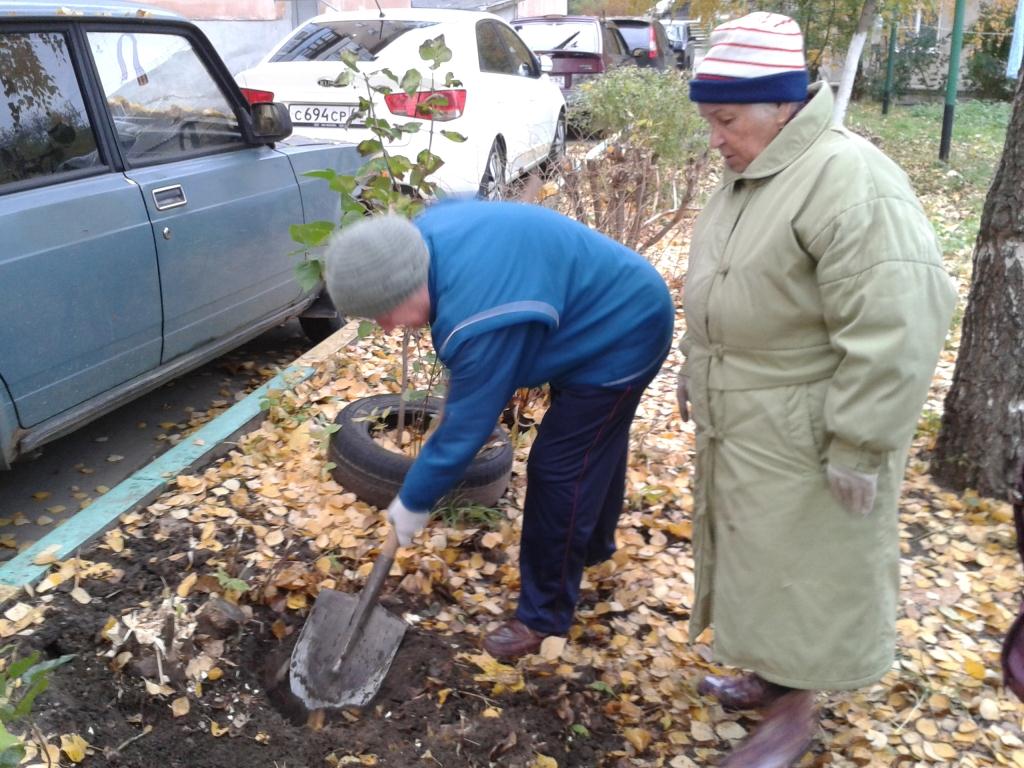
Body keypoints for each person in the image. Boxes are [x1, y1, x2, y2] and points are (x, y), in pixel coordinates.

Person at [677, 11, 958, 767]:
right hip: (748, 414)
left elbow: (899, 322)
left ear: (781, 106)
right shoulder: (755, 172)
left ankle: (796, 711)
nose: (716, 137)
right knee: (760, 556)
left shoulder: (849, 178)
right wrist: (694, 368)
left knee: (805, 564)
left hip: (810, 423)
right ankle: (771, 677)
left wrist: (859, 444)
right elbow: (727, 290)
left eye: (726, 118)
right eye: (711, 119)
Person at [324, 198, 674, 659]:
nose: (388, 329)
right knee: (593, 442)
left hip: (624, 331)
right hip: (607, 300)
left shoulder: (478, 320)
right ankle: (590, 545)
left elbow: (464, 430)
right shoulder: (426, 237)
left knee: (560, 470)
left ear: (408, 283)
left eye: (385, 314)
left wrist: (413, 500)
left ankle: (543, 617)